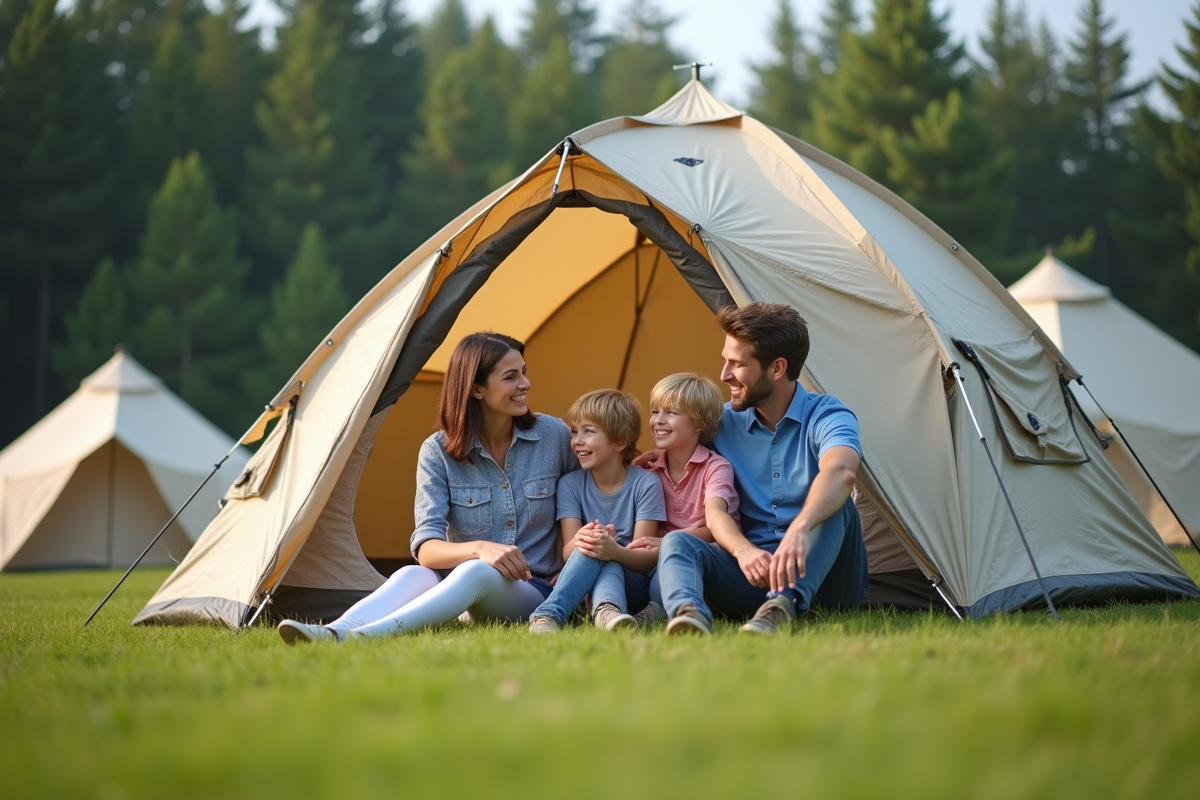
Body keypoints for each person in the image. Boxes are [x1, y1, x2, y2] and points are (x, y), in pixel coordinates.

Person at [277, 331, 575, 644]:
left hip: (535, 591)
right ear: (476, 389)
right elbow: (426, 549)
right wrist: (479, 548)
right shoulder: (438, 452)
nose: (525, 384)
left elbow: (589, 496)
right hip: (460, 589)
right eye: (511, 377)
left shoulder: (554, 436)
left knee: (476, 572)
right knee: (412, 574)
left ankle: (364, 638)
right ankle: (335, 630)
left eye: (523, 373)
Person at [657, 303, 867, 636]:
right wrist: (743, 551)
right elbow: (685, 466)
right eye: (725, 360)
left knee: (837, 503)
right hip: (753, 573)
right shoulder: (720, 424)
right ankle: (689, 616)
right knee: (678, 543)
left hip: (827, 578)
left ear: (777, 368)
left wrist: (801, 527)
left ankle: (783, 605)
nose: (724, 374)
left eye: (737, 364)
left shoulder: (829, 414)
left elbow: (841, 470)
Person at [527, 390, 666, 633]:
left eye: (588, 431)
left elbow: (645, 559)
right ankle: (603, 615)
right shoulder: (570, 484)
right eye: (574, 430)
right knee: (594, 546)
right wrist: (586, 537)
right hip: (588, 572)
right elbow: (568, 553)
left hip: (634, 583)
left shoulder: (647, 483)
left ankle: (550, 614)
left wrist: (613, 550)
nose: (576, 440)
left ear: (620, 442)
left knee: (606, 556)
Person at [624, 373, 741, 626]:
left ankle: (678, 612)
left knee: (669, 561)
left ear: (699, 423)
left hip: (704, 558)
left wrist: (668, 540)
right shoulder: (647, 470)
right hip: (654, 560)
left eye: (671, 413)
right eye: (655, 411)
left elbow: (715, 526)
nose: (658, 420)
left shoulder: (715, 468)